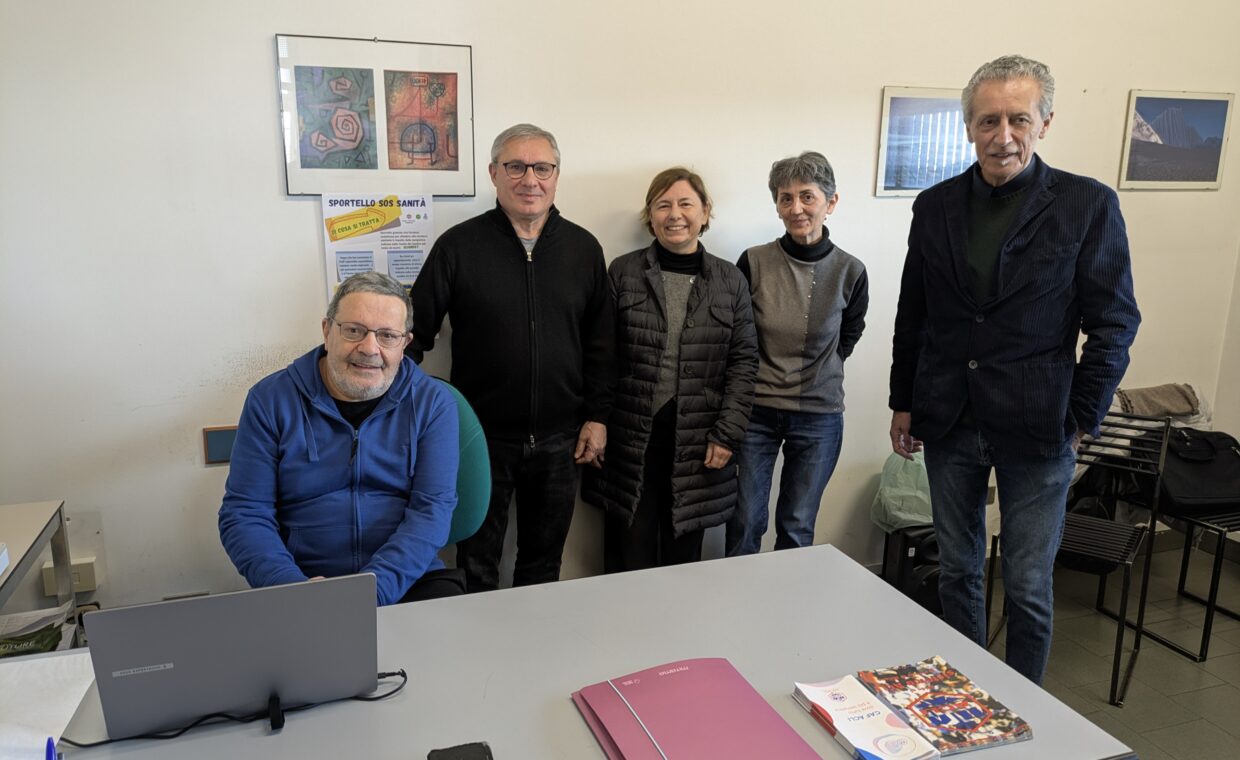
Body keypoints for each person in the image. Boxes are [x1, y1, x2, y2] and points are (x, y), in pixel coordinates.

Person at [888, 55, 1140, 683]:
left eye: (1018, 119)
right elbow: (913, 314)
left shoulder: (1087, 204)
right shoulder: (935, 206)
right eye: (989, 120)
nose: (1004, 135)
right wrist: (904, 401)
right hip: (949, 417)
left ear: (1044, 123)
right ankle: (964, 696)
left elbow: (1114, 321)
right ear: (969, 127)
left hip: (1039, 423)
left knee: (1027, 584)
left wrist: (1084, 415)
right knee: (957, 570)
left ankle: (1025, 709)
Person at [408, 123, 613, 592]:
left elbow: (603, 344)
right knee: (476, 562)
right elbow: (414, 334)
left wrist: (599, 417)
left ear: (556, 175)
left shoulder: (583, 249)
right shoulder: (458, 247)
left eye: (542, 168)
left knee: (543, 566)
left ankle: (536, 657)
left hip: (562, 441)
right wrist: (394, 409)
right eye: (515, 167)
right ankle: (481, 660)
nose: (530, 179)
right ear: (493, 174)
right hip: (481, 439)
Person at [219, 271, 462, 606]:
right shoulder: (270, 400)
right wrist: (290, 585)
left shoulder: (434, 404)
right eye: (354, 330)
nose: (369, 348)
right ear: (327, 332)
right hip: (302, 578)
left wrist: (369, 594)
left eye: (387, 336)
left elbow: (431, 511)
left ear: (405, 344)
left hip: (407, 578)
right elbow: (245, 512)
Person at [584, 167, 757, 571]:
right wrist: (596, 419)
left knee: (684, 563)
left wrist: (728, 432)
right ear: (650, 215)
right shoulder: (623, 272)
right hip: (631, 441)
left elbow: (744, 362)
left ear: (705, 212)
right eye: (663, 205)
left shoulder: (730, 280)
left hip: (700, 442)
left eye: (685, 203)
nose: (674, 214)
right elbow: (602, 354)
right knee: (629, 555)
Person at [725, 152, 869, 556]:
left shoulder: (850, 271)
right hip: (756, 412)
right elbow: (739, 336)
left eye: (807, 196)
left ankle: (786, 612)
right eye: (785, 198)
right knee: (744, 521)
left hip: (819, 416)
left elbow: (848, 336)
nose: (796, 208)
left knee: (797, 525)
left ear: (831, 202)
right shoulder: (753, 262)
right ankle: (738, 610)